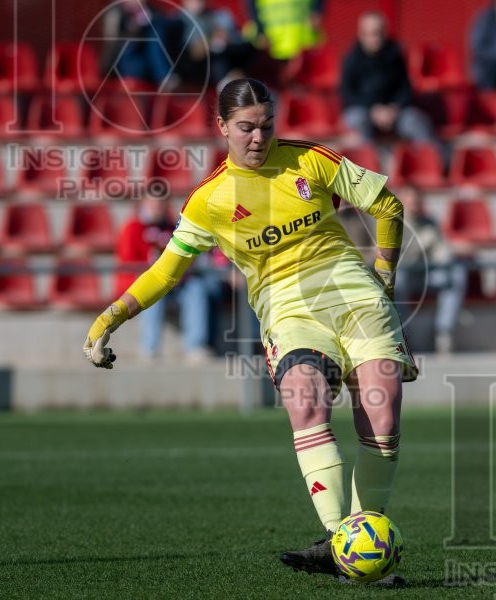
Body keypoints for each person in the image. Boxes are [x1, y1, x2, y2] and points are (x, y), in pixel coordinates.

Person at [84, 78, 416, 584]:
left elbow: (386, 206)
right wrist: (110, 318)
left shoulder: (311, 160)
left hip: (356, 299)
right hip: (288, 311)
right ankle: (343, 545)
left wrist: (386, 279)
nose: (258, 137)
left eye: (266, 126)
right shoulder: (210, 200)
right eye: (246, 128)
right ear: (221, 128)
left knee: (382, 411)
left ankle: (360, 538)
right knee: (304, 398)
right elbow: (166, 272)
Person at [115, 194, 224, 361]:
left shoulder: (172, 227)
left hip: (177, 284)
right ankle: (150, 348)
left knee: (196, 288)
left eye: (160, 204)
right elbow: (128, 264)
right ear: (144, 204)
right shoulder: (133, 228)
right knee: (152, 291)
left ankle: (195, 346)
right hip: (146, 281)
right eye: (153, 204)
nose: (157, 208)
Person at [339, 11, 435, 144]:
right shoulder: (351, 59)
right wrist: (373, 111)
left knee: (416, 120)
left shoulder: (395, 55)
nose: (376, 38)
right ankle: (366, 162)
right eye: (371, 34)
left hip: (394, 112)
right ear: (361, 34)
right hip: (365, 111)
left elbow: (405, 88)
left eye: (379, 33)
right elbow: (347, 94)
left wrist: (393, 109)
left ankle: (433, 161)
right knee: (357, 120)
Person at [392, 186, 466, 355]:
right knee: (398, 280)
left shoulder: (429, 222)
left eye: (416, 201)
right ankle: (404, 336)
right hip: (407, 277)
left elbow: (442, 254)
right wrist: (421, 246)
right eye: (409, 201)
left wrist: (452, 251)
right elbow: (397, 260)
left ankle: (444, 331)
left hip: (427, 275)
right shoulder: (393, 224)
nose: (414, 205)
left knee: (456, 274)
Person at [172, 0, 253, 89]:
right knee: (217, 57)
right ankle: (227, 84)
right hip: (196, 66)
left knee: (246, 46)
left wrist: (225, 38)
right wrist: (210, 42)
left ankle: (233, 80)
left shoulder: (216, 14)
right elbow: (193, 53)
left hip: (224, 56)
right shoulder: (178, 21)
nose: (198, 3)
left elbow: (233, 37)